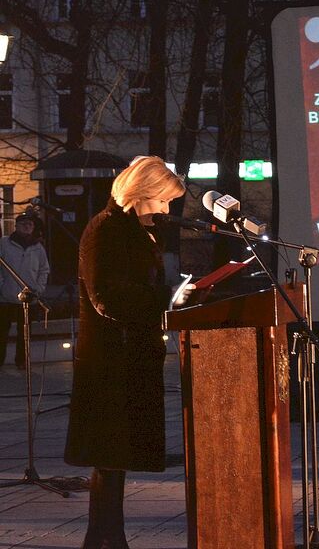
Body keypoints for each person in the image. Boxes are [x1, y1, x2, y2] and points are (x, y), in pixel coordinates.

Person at [64, 155, 193, 549]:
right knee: (110, 457)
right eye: (163, 200)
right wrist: (166, 299)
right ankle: (106, 539)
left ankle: (105, 539)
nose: (166, 210)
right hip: (110, 362)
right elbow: (107, 297)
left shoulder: (134, 230)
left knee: (114, 459)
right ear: (142, 192)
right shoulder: (106, 229)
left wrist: (170, 299)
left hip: (127, 356)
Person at [0, 211, 50, 369]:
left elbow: (44, 269)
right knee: (2, 332)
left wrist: (39, 288)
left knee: (25, 333)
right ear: (16, 226)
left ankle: (21, 361)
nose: (27, 227)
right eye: (23, 224)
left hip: (29, 297)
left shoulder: (38, 247)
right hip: (6, 297)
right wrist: (1, 286)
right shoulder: (4, 243)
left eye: (30, 224)